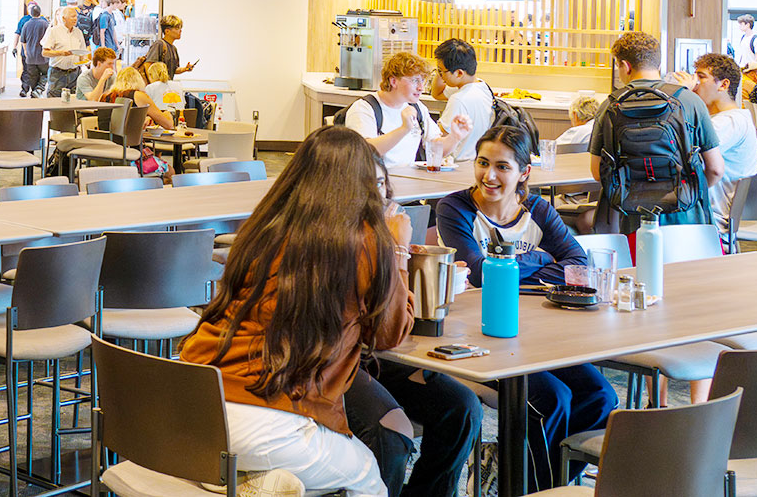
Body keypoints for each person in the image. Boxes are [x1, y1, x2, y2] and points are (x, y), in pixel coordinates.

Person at [180, 125, 411, 497]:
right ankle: (247, 474)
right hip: (265, 417)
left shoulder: (265, 226)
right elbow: (388, 334)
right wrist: (398, 250)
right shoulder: (366, 242)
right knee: (367, 474)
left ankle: (242, 478)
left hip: (194, 400)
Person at [436, 125, 616, 489]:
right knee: (552, 398)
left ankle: (520, 473)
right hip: (478, 338)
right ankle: (538, 488)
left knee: (601, 397)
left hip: (535, 332)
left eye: (502, 167)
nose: (489, 175)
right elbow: (480, 274)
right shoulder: (454, 208)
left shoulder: (537, 209)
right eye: (483, 163)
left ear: (523, 172)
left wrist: (505, 264)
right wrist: (538, 259)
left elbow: (577, 265)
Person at [344, 160, 483, 497]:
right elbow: (388, 331)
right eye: (366, 184)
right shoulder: (337, 241)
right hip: (336, 363)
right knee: (389, 432)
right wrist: (399, 252)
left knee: (462, 408)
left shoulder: (377, 236)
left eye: (380, 184)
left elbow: (392, 331)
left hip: (374, 357)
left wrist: (401, 256)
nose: (377, 195)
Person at [590, 31, 724, 234]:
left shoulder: (609, 106)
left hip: (633, 215)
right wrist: (693, 191)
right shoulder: (689, 101)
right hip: (687, 215)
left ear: (625, 66)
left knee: (641, 264)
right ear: (658, 65)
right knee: (690, 266)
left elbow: (597, 171)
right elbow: (715, 169)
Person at [343, 52, 473, 168]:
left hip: (410, 183)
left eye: (423, 80)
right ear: (393, 81)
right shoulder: (365, 108)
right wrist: (404, 129)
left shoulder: (418, 108)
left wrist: (455, 137)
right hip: (376, 185)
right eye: (415, 81)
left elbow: (435, 148)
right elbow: (365, 152)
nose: (421, 88)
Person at [690, 53, 757, 245]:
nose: (695, 83)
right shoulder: (735, 118)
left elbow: (682, 148)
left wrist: (682, 96)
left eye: (701, 77)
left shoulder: (729, 122)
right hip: (711, 218)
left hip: (712, 223)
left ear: (724, 85)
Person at [432, 38, 495, 161]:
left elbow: (440, 139)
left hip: (458, 163)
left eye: (441, 72)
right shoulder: (482, 87)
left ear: (459, 73)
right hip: (477, 161)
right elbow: (437, 93)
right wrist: (441, 69)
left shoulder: (458, 99)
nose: (440, 75)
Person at [105, 65, 176, 130]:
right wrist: (167, 113)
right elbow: (168, 125)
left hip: (104, 141)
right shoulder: (138, 96)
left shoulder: (105, 96)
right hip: (128, 141)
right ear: (139, 80)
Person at [41, 6, 90, 97]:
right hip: (57, 73)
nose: (75, 19)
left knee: (73, 101)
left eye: (76, 16)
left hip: (75, 73)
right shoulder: (54, 31)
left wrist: (85, 62)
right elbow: (45, 52)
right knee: (54, 100)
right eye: (72, 16)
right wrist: (62, 53)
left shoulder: (78, 32)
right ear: (63, 18)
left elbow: (82, 52)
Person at [146, 14, 198, 79]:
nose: (180, 30)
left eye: (180, 28)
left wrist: (185, 69)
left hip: (166, 86)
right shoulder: (159, 44)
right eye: (177, 28)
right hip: (157, 87)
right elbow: (148, 65)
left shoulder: (174, 49)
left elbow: (174, 70)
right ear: (167, 31)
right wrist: (153, 84)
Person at [17, 4, 48, 97]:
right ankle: (39, 89)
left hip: (30, 57)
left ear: (30, 13)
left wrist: (26, 52)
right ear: (40, 13)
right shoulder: (45, 24)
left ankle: (34, 92)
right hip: (42, 56)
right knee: (46, 73)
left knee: (32, 76)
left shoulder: (26, 24)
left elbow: (23, 41)